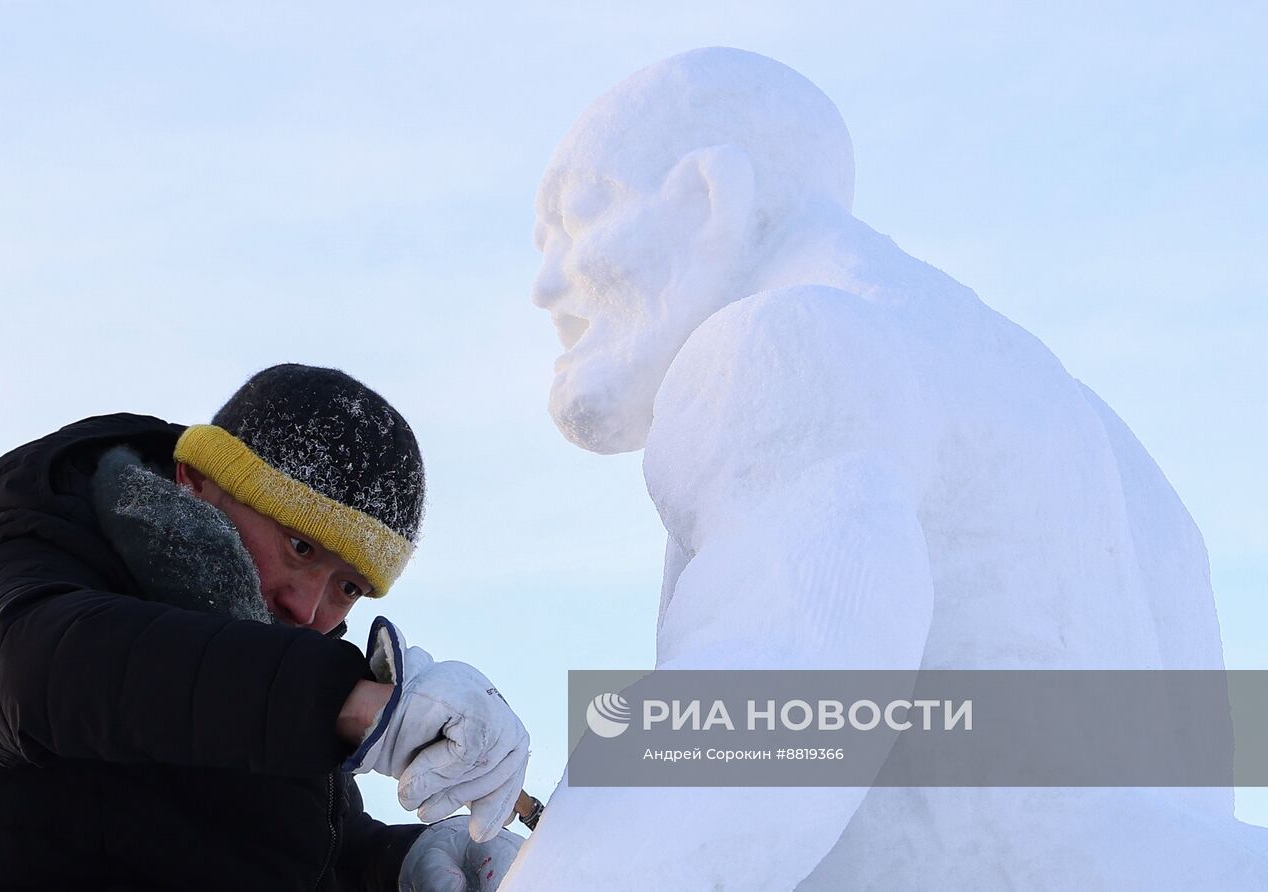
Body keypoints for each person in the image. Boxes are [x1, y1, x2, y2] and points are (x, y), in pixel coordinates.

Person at [499, 47, 1268, 890]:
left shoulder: (792, 344)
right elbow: (1193, 800)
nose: (544, 287)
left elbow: (757, 737)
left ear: (709, 199)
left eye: (580, 218)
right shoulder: (1102, 439)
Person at [0, 363, 527, 891]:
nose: (307, 609)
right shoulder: (38, 559)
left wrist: (399, 863)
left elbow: (294, 850)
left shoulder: (274, 690)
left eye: (348, 587)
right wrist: (343, 701)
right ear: (196, 481)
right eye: (300, 547)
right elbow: (31, 671)